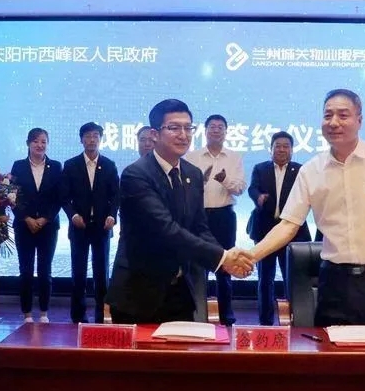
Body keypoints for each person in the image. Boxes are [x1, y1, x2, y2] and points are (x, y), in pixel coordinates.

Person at [248, 89, 365, 328]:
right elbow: (288, 225)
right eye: (328, 115)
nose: (334, 122)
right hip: (335, 281)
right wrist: (251, 256)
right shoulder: (311, 170)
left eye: (343, 115)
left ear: (359, 120)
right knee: (331, 348)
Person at [106, 99, 254, 324]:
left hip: (180, 293)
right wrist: (223, 258)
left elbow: (199, 227)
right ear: (155, 134)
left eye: (188, 128)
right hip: (138, 294)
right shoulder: (135, 175)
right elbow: (165, 229)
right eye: (174, 128)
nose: (183, 135)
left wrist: (226, 260)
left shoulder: (192, 173)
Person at [186, 114, 246, 325]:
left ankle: (226, 316)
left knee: (225, 265)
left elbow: (240, 188)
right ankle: (197, 313)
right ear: (205, 131)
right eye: (212, 126)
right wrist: (200, 181)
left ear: (226, 132)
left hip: (224, 216)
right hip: (198, 216)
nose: (216, 130)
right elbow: (185, 187)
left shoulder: (234, 157)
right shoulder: (192, 157)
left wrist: (224, 179)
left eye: (220, 127)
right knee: (197, 266)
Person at [247, 131, 311, 325]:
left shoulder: (300, 170)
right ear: (271, 149)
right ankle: (265, 322)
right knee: (265, 279)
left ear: (292, 150)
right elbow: (252, 188)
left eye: (286, 146)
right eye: (278, 146)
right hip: (264, 230)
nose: (282, 149)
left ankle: (294, 318)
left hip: (292, 233)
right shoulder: (260, 168)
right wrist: (258, 197)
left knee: (290, 278)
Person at [61, 122, 120, 324]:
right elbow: (64, 197)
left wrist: (112, 215)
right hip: (79, 226)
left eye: (95, 136)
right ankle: (78, 314)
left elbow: (116, 195)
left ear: (100, 139)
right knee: (78, 272)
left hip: (102, 227)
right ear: (81, 140)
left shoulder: (109, 165)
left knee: (101, 273)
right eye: (87, 136)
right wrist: (72, 215)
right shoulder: (71, 165)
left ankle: (101, 314)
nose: (92, 140)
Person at [10, 128, 63, 324]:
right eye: (35, 141)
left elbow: (60, 197)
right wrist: (26, 218)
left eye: (43, 142)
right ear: (28, 144)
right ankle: (26, 313)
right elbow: (13, 196)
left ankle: (43, 313)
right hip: (24, 225)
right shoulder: (18, 166)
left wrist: (45, 219)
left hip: (48, 226)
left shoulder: (56, 166)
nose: (40, 145)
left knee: (45, 270)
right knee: (25, 270)